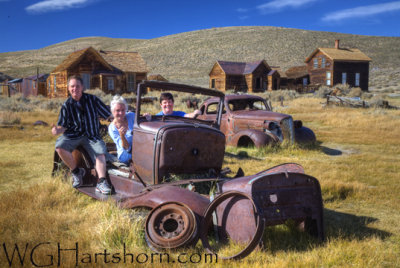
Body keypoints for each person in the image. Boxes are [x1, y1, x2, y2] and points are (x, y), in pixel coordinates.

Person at [51, 75, 112, 195]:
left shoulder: (92, 100)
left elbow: (108, 115)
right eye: (72, 86)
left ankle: (101, 182)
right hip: (73, 135)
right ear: (69, 88)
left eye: (77, 86)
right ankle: (76, 172)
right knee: (59, 146)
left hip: (92, 135)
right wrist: (57, 131)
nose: (75, 89)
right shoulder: (66, 105)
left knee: (100, 152)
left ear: (82, 87)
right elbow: (63, 125)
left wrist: (124, 116)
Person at [108, 95, 134, 165]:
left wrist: (147, 118)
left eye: (123, 110)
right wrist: (122, 136)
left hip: (138, 149)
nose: (121, 113)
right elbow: (126, 148)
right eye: (117, 110)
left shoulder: (131, 116)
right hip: (125, 154)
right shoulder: (112, 128)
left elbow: (142, 124)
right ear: (112, 111)